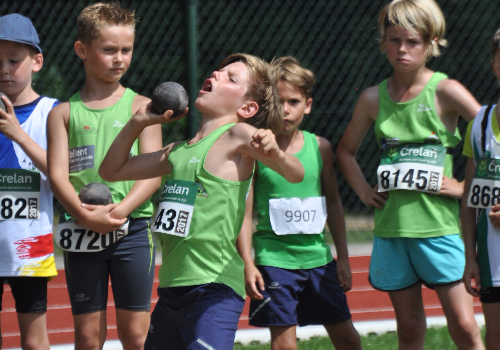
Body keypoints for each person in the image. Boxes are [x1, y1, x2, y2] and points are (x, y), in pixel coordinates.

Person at [98, 53, 304, 350]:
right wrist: (138, 122)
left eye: (231, 78)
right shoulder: (177, 151)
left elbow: (295, 174)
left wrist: (277, 153)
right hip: (171, 288)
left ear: (247, 108)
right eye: (219, 71)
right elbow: (111, 170)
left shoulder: (238, 135)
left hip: (214, 288)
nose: (217, 75)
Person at [335, 0, 484, 349]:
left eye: (412, 41)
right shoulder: (372, 98)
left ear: (432, 43)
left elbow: (490, 138)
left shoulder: (446, 91)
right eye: (393, 39)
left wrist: (465, 187)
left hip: (441, 228)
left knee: (464, 325)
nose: (402, 49)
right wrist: (361, 191)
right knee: (410, 327)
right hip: (393, 229)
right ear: (383, 41)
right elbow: (345, 151)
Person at [46, 3, 161, 350]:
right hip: (81, 229)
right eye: (109, 49)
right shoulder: (62, 114)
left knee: (136, 335)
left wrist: (121, 210)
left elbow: (152, 175)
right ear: (82, 49)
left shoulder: (142, 107)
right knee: (88, 337)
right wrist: (83, 215)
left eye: (126, 49)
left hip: (133, 230)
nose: (119, 58)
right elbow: (57, 175)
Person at [235, 56, 362, 350]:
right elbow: (244, 212)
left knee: (348, 339)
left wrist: (342, 256)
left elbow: (333, 202)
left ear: (308, 104)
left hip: (318, 259)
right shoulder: (254, 150)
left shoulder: (321, 148)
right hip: (274, 261)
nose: (286, 110)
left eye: (294, 101)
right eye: (279, 101)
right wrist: (247, 261)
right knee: (284, 346)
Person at [0, 13, 59, 350]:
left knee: (34, 341)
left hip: (30, 245)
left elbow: (60, 175)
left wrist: (17, 134)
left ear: (37, 61)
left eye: (13, 59)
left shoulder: (53, 112)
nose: (5, 69)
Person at [462, 27, 500, 350]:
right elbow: (470, 198)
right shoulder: (480, 124)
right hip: (492, 259)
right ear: (494, 64)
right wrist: (469, 255)